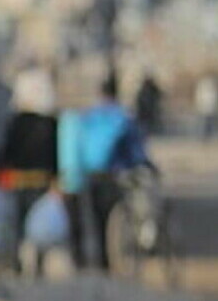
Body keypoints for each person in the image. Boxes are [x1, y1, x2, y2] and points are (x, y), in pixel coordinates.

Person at [62, 74, 153, 273]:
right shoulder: (123, 116)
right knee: (118, 212)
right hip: (114, 176)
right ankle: (115, 260)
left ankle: (98, 262)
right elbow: (136, 149)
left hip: (91, 175)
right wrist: (145, 165)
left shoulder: (89, 117)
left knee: (96, 219)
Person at [0, 69, 59, 275]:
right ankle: (36, 263)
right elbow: (55, 153)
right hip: (41, 180)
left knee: (19, 224)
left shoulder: (18, 121)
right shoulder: (51, 123)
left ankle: (17, 264)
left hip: (18, 181)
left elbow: (7, 150)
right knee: (38, 224)